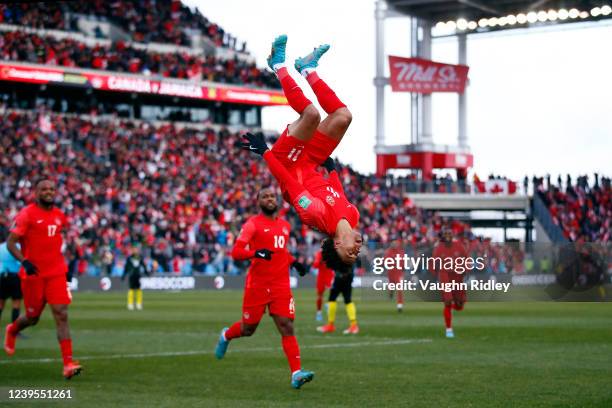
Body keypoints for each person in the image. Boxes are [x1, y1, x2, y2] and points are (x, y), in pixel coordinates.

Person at [240, 34, 361, 275]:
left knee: (311, 116)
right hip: (314, 161)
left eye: (349, 253)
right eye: (356, 255)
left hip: (288, 163)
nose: (356, 251)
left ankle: (278, 65)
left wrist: (265, 152)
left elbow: (287, 181)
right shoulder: (353, 216)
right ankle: (307, 68)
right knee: (343, 117)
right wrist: (333, 170)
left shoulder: (315, 215)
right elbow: (338, 194)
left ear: (337, 244)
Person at [214, 187, 313, 389]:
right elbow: (236, 251)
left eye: (272, 196)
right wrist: (256, 253)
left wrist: (294, 262)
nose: (269, 199)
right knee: (248, 329)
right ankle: (226, 335)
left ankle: (296, 374)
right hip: (258, 285)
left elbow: (281, 251)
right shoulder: (252, 225)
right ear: (258, 202)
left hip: (280, 285)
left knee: (286, 326)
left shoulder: (285, 226)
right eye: (265, 196)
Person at [3, 178, 82, 379]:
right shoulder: (26, 215)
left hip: (55, 273)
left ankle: (68, 364)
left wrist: (64, 270)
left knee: (61, 313)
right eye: (44, 189)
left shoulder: (59, 216)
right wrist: (25, 262)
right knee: (32, 317)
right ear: (36, 193)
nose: (49, 191)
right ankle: (12, 329)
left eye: (51, 189)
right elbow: (11, 243)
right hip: (33, 276)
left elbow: (55, 244)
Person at [432, 229, 469, 338]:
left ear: (452, 236)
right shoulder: (439, 248)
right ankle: (449, 329)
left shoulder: (459, 246)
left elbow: (466, 258)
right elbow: (434, 261)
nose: (447, 236)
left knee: (460, 306)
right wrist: (435, 273)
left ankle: (454, 304)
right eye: (446, 234)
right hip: (445, 275)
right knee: (447, 301)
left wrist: (465, 270)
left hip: (457, 275)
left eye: (449, 234)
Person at [316, 263, 359, 334]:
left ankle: (353, 325)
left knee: (344, 299)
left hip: (344, 276)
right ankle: (332, 325)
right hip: (343, 276)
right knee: (334, 299)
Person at [0, 240, 22, 325]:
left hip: (2, 276)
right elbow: (20, 262)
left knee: (1, 303)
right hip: (15, 276)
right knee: (16, 303)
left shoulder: (1, 247)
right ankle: (15, 329)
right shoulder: (18, 247)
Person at [122, 246, 150, 311]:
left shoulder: (140, 257)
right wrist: (123, 275)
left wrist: (147, 273)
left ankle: (138, 304)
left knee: (138, 289)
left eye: (136, 250)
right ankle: (130, 304)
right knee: (131, 289)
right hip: (132, 275)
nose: (135, 251)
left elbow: (143, 266)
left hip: (138, 275)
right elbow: (126, 267)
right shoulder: (129, 258)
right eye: (134, 250)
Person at [385, 238, 406, 312]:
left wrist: (403, 269)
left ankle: (399, 305)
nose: (395, 244)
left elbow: (403, 262)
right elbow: (385, 262)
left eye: (396, 243)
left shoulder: (401, 252)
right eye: (393, 243)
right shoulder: (388, 252)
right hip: (391, 273)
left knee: (399, 289)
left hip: (398, 273)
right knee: (391, 287)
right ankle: (391, 293)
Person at [312, 249, 334, 321]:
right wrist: (320, 261)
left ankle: (328, 304)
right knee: (320, 295)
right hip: (321, 277)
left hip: (330, 276)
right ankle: (319, 313)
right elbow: (315, 265)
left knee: (333, 292)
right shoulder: (319, 254)